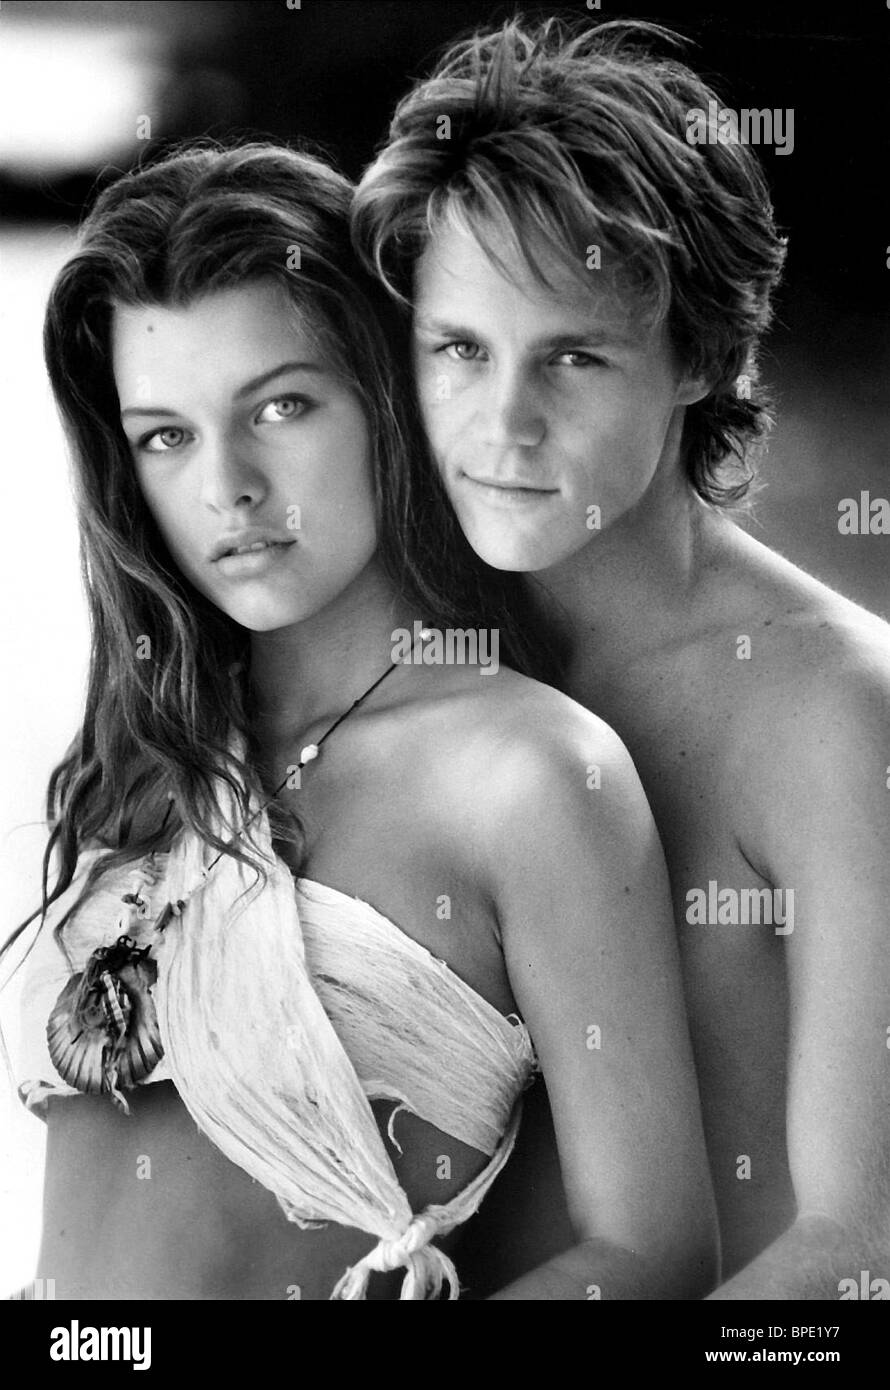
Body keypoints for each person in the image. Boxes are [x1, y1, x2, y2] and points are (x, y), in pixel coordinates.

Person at [0, 141, 717, 1301]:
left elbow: (650, 1252)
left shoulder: (529, 773)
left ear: (387, 397)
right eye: (166, 434)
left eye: (281, 406)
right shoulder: (148, 750)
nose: (227, 487)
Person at [352, 17, 890, 1299]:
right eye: (460, 350)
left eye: (573, 358)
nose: (503, 424)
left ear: (698, 358)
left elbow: (862, 1249)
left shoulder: (835, 709)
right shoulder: (394, 659)